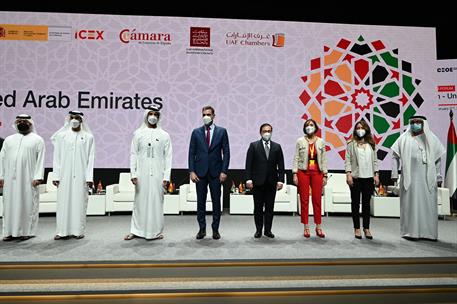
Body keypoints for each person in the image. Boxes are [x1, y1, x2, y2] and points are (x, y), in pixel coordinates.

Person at [391, 115, 445, 241]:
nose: (415, 124)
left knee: (428, 206)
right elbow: (395, 155)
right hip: (410, 179)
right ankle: (411, 232)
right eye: (413, 122)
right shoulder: (404, 138)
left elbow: (438, 160)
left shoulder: (431, 138)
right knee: (411, 205)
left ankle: (429, 233)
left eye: (418, 122)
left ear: (423, 123)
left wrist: (438, 176)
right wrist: (394, 174)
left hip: (427, 179)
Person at [124, 107, 172, 241]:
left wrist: (166, 177)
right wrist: (133, 173)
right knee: (140, 202)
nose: (153, 116)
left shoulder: (164, 135)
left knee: (157, 202)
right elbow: (133, 154)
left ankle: (155, 231)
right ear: (146, 116)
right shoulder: (138, 134)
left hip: (158, 174)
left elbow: (168, 157)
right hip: (141, 174)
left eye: (156, 114)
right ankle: (136, 230)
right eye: (150, 114)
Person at [0, 114, 45, 241]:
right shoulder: (8, 140)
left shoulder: (37, 140)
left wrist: (38, 177)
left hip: (28, 179)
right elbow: (1, 158)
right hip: (10, 179)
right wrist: (1, 176)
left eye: (25, 121)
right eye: (19, 121)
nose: (22, 123)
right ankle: (9, 232)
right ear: (15, 123)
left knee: (27, 204)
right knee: (9, 204)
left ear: (30, 123)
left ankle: (27, 232)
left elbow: (40, 160)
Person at [51, 111, 95, 240]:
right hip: (64, 175)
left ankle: (78, 230)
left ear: (81, 120)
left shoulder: (88, 137)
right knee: (63, 203)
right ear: (68, 119)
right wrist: (56, 176)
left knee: (79, 202)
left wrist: (89, 177)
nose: (74, 120)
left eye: (77, 118)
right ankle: (61, 231)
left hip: (81, 175)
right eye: (72, 117)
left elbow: (90, 158)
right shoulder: (61, 136)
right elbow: (57, 157)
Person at [188, 106, 230, 240]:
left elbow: (226, 152)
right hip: (200, 173)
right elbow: (191, 153)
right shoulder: (196, 132)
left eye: (208, 114)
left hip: (216, 173)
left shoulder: (222, 131)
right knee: (200, 202)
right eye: (204, 114)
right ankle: (201, 229)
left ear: (213, 116)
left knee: (216, 202)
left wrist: (224, 171)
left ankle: (215, 229)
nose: (206, 116)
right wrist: (192, 171)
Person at [245, 123, 285, 238]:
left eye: (269, 131)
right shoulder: (253, 146)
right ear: (260, 132)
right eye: (264, 131)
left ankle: (268, 230)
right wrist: (248, 179)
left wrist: (281, 180)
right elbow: (249, 165)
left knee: (269, 208)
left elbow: (281, 165)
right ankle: (258, 230)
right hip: (257, 182)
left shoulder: (277, 147)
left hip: (272, 183)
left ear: (271, 132)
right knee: (258, 208)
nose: (267, 133)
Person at [292, 119, 328, 238]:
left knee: (317, 200)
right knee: (304, 199)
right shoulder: (300, 141)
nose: (309, 127)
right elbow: (296, 157)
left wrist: (325, 174)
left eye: (311, 125)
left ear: (315, 127)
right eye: (307, 125)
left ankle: (318, 226)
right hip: (303, 172)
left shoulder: (321, 142)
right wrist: (295, 173)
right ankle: (306, 227)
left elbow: (324, 159)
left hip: (317, 173)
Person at [345, 121, 379, 240]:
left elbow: (375, 161)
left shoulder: (371, 144)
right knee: (355, 204)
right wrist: (348, 174)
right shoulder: (351, 144)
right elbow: (348, 160)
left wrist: (376, 174)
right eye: (358, 128)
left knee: (366, 204)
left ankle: (366, 228)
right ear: (355, 130)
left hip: (368, 177)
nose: (360, 130)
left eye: (362, 128)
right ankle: (357, 228)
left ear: (366, 130)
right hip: (355, 177)